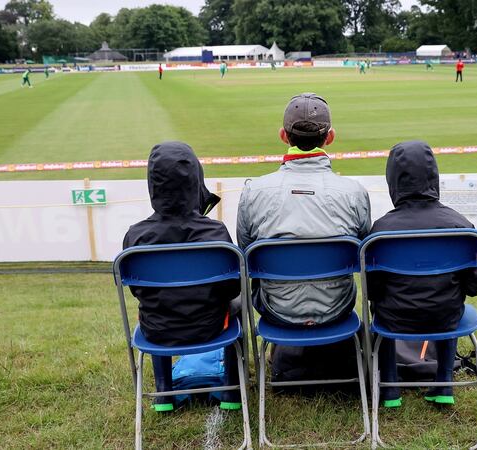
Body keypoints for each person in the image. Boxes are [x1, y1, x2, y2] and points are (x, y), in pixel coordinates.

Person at [123, 141, 244, 412]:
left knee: (150, 309)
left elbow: (137, 291)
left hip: (158, 329)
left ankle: (164, 394)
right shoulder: (216, 233)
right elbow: (233, 289)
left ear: (153, 185)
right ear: (196, 181)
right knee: (240, 307)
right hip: (212, 327)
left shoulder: (136, 236)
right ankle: (232, 392)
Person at [367, 140, 477, 408]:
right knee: (451, 306)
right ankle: (444, 383)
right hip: (446, 315)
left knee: (379, 310)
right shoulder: (461, 226)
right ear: (435, 177)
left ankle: (390, 390)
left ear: (393, 180)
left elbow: (373, 290)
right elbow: (476, 286)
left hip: (393, 318)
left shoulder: (380, 230)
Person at [237, 93, 371, 327]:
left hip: (276, 307)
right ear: (330, 137)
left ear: (283, 135)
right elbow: (364, 254)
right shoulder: (354, 192)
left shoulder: (253, 192)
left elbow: (246, 254)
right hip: (336, 306)